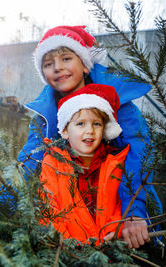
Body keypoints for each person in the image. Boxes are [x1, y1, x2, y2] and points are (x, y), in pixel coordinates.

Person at [16, 25, 162, 248]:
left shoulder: (118, 102)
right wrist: (4, 204)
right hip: (71, 219)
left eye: (66, 58)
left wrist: (133, 212)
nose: (58, 68)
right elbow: (29, 160)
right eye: (48, 64)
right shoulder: (44, 115)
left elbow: (138, 153)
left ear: (84, 64)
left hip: (117, 208)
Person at [39, 83, 127, 244]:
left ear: (104, 129)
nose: (90, 131)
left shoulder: (115, 161)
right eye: (80, 124)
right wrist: (66, 245)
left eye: (97, 124)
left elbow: (121, 204)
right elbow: (48, 208)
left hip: (108, 247)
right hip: (69, 249)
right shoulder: (53, 162)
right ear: (65, 131)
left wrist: (115, 232)